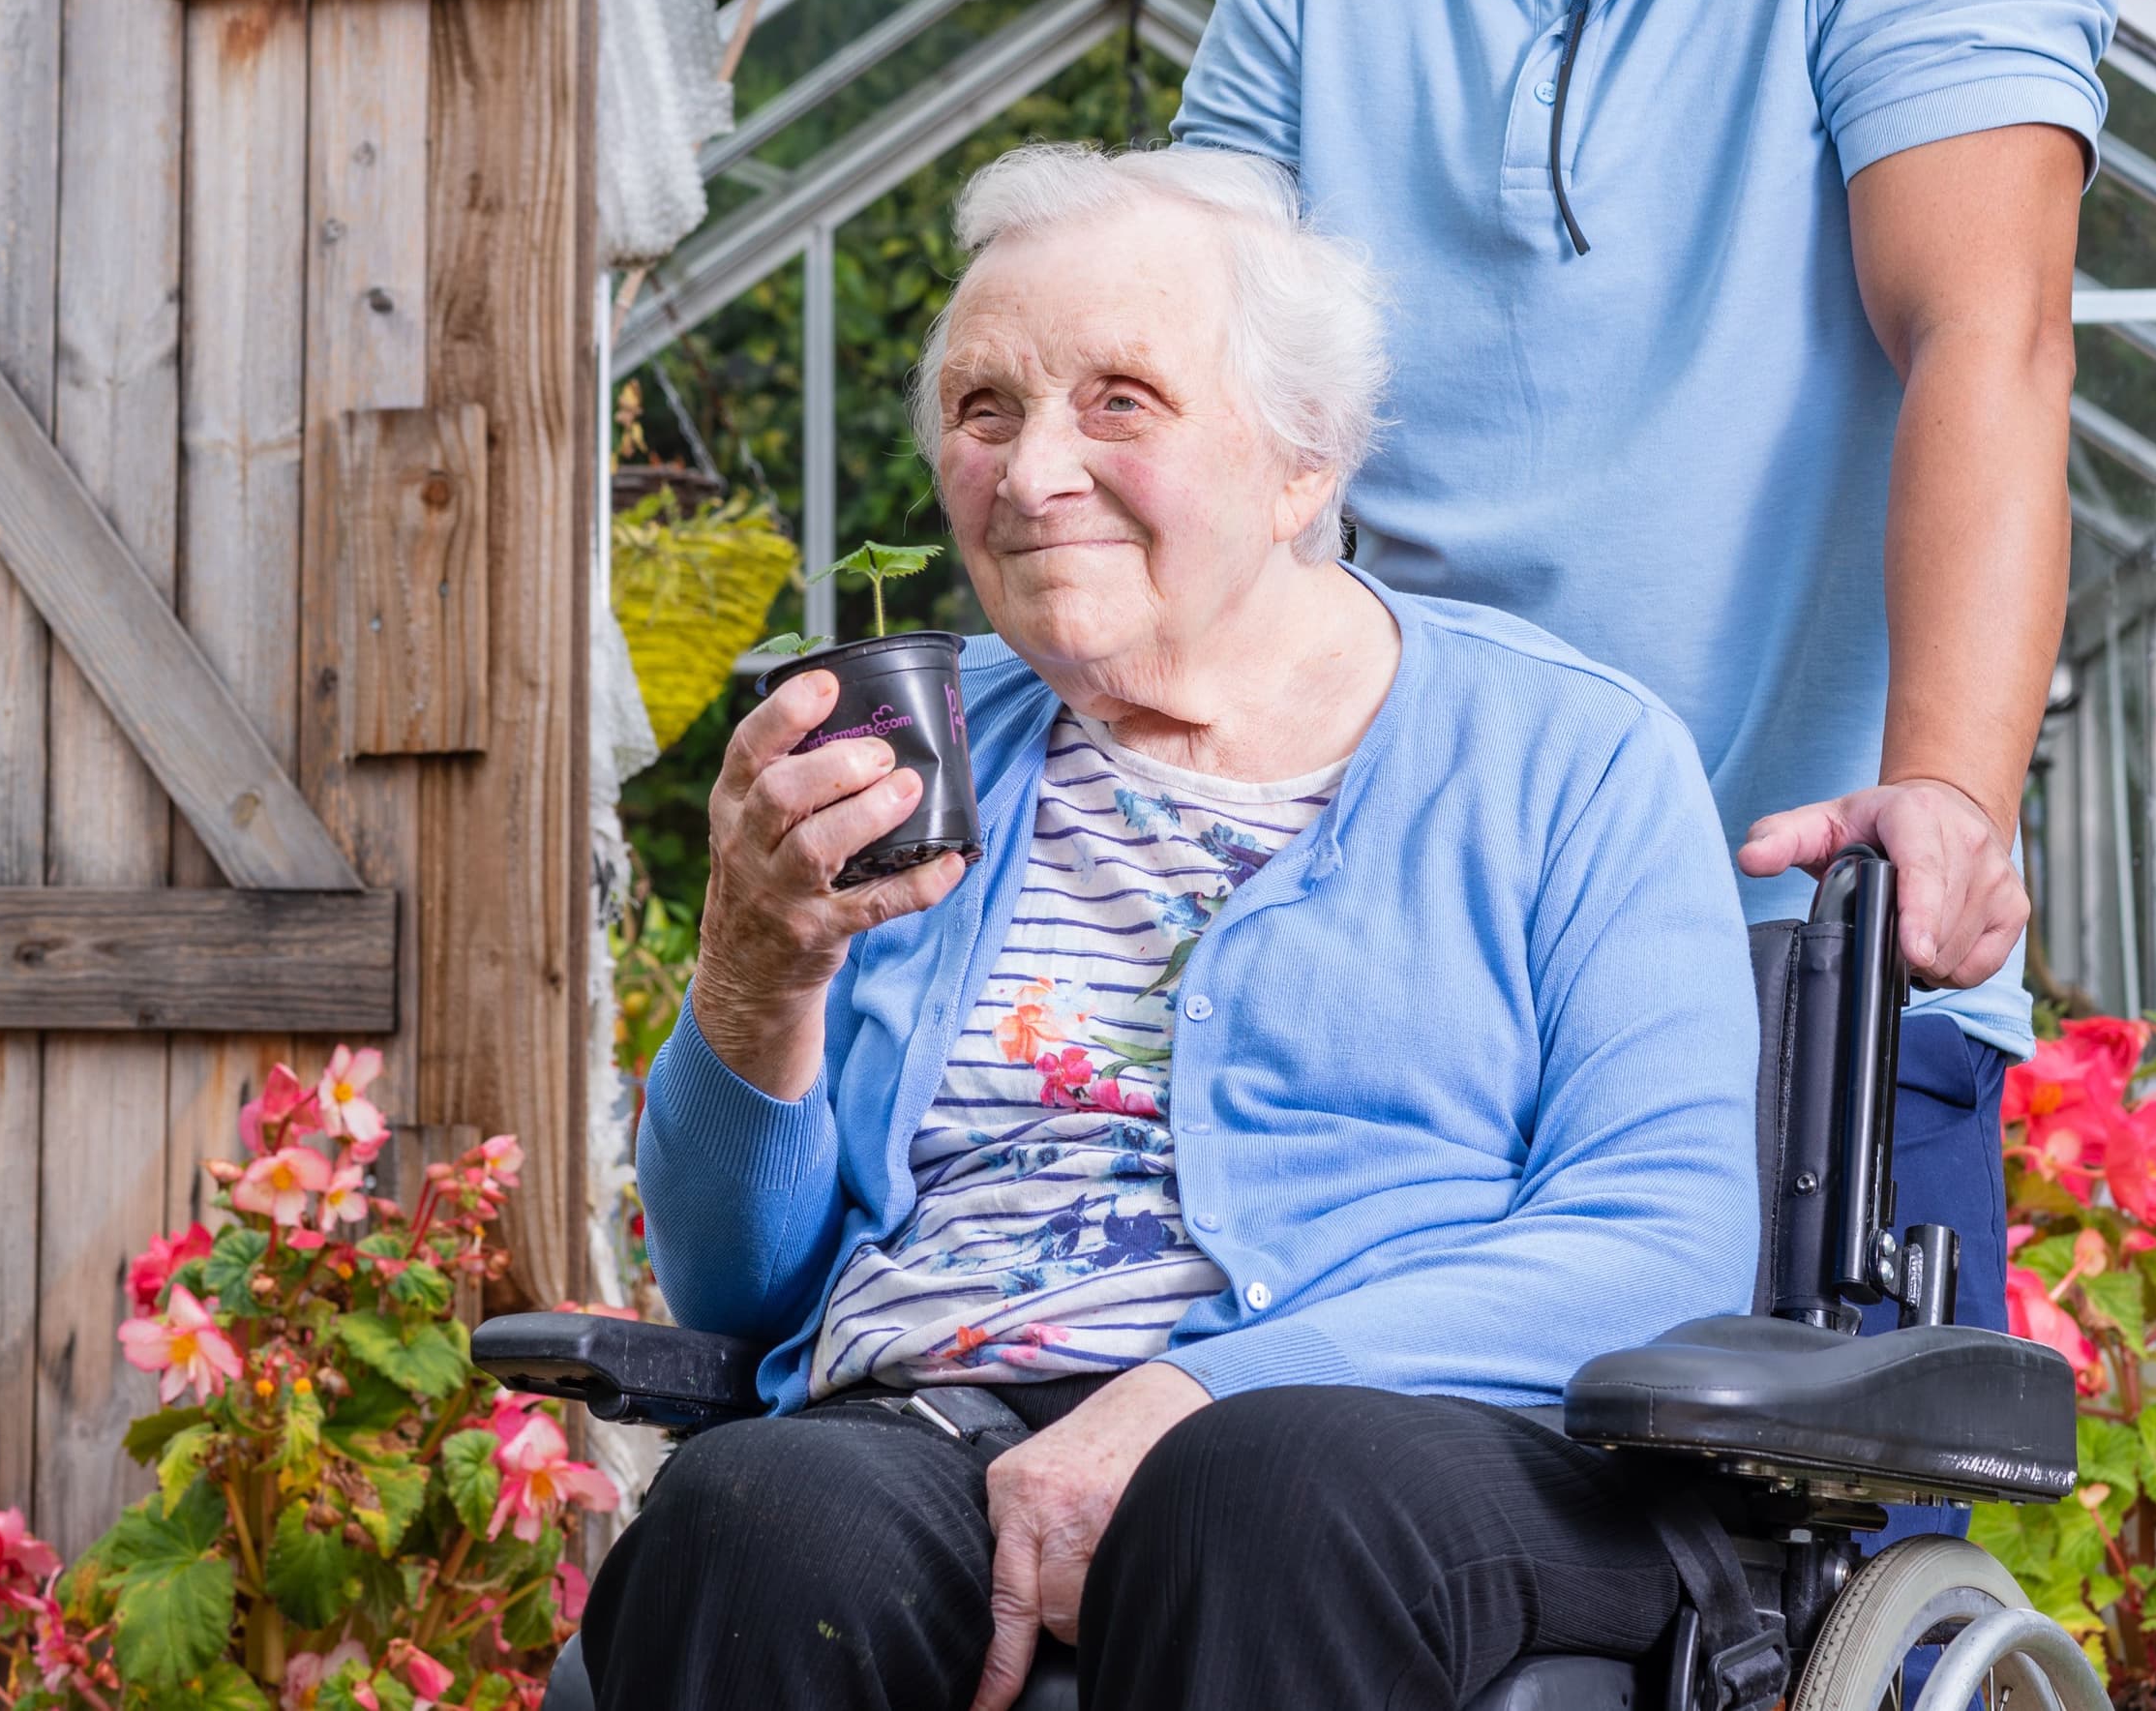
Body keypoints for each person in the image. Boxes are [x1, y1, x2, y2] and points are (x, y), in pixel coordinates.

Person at [1174, 0, 2114, 1425]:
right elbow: (1209, 447)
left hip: (1802, 956)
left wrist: (1950, 803)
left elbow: (1986, 330)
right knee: (1315, 1528)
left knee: (1783, 1557)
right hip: (1404, 983)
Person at [584, 146, 1759, 1711]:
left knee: (1261, 1492)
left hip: (1405, 1452)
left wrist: (1197, 1390)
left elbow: (1659, 1243)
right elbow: (738, 1294)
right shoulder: (913, 768)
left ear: (1300, 465)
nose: (1030, 470)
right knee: (759, 1517)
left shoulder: (1565, 757)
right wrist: (758, 964)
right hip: (932, 1424)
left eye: (1118, 401)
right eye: (985, 410)